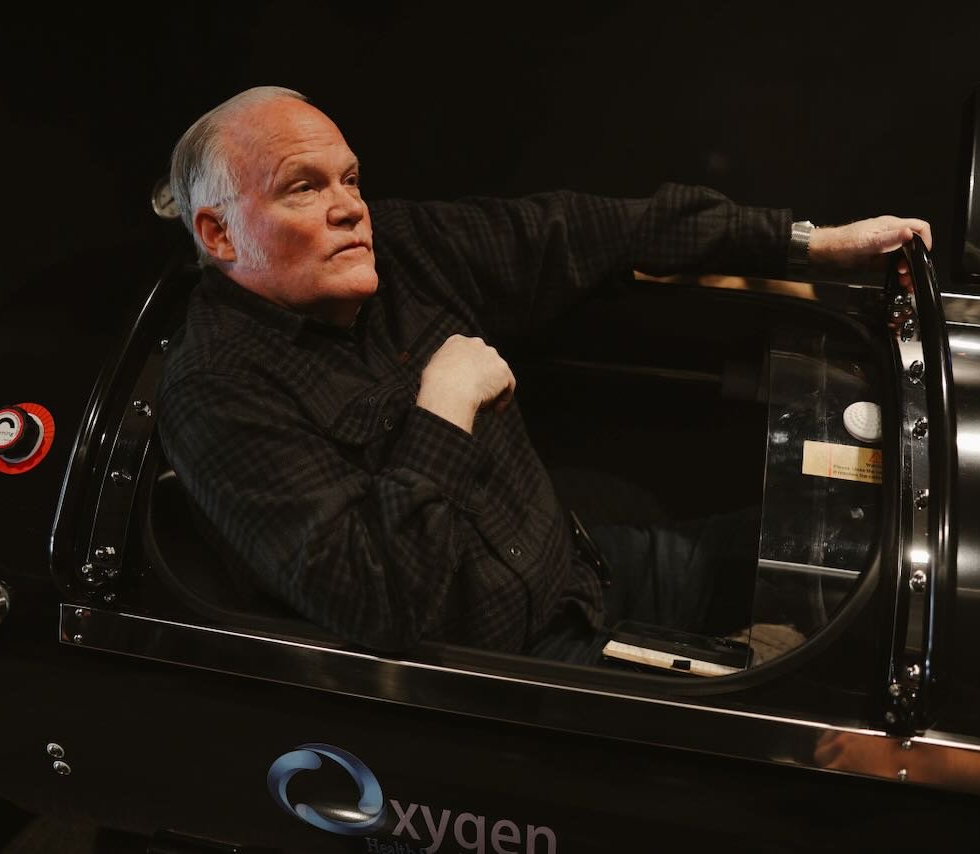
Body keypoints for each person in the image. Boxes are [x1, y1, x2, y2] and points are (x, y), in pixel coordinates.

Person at [157, 86, 931, 664]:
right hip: (514, 671)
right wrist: (442, 407)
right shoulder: (218, 390)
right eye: (304, 187)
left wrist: (809, 245)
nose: (350, 207)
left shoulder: (399, 247)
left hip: (576, 568)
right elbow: (379, 605)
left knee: (851, 563)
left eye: (351, 179)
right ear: (219, 233)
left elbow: (588, 227)